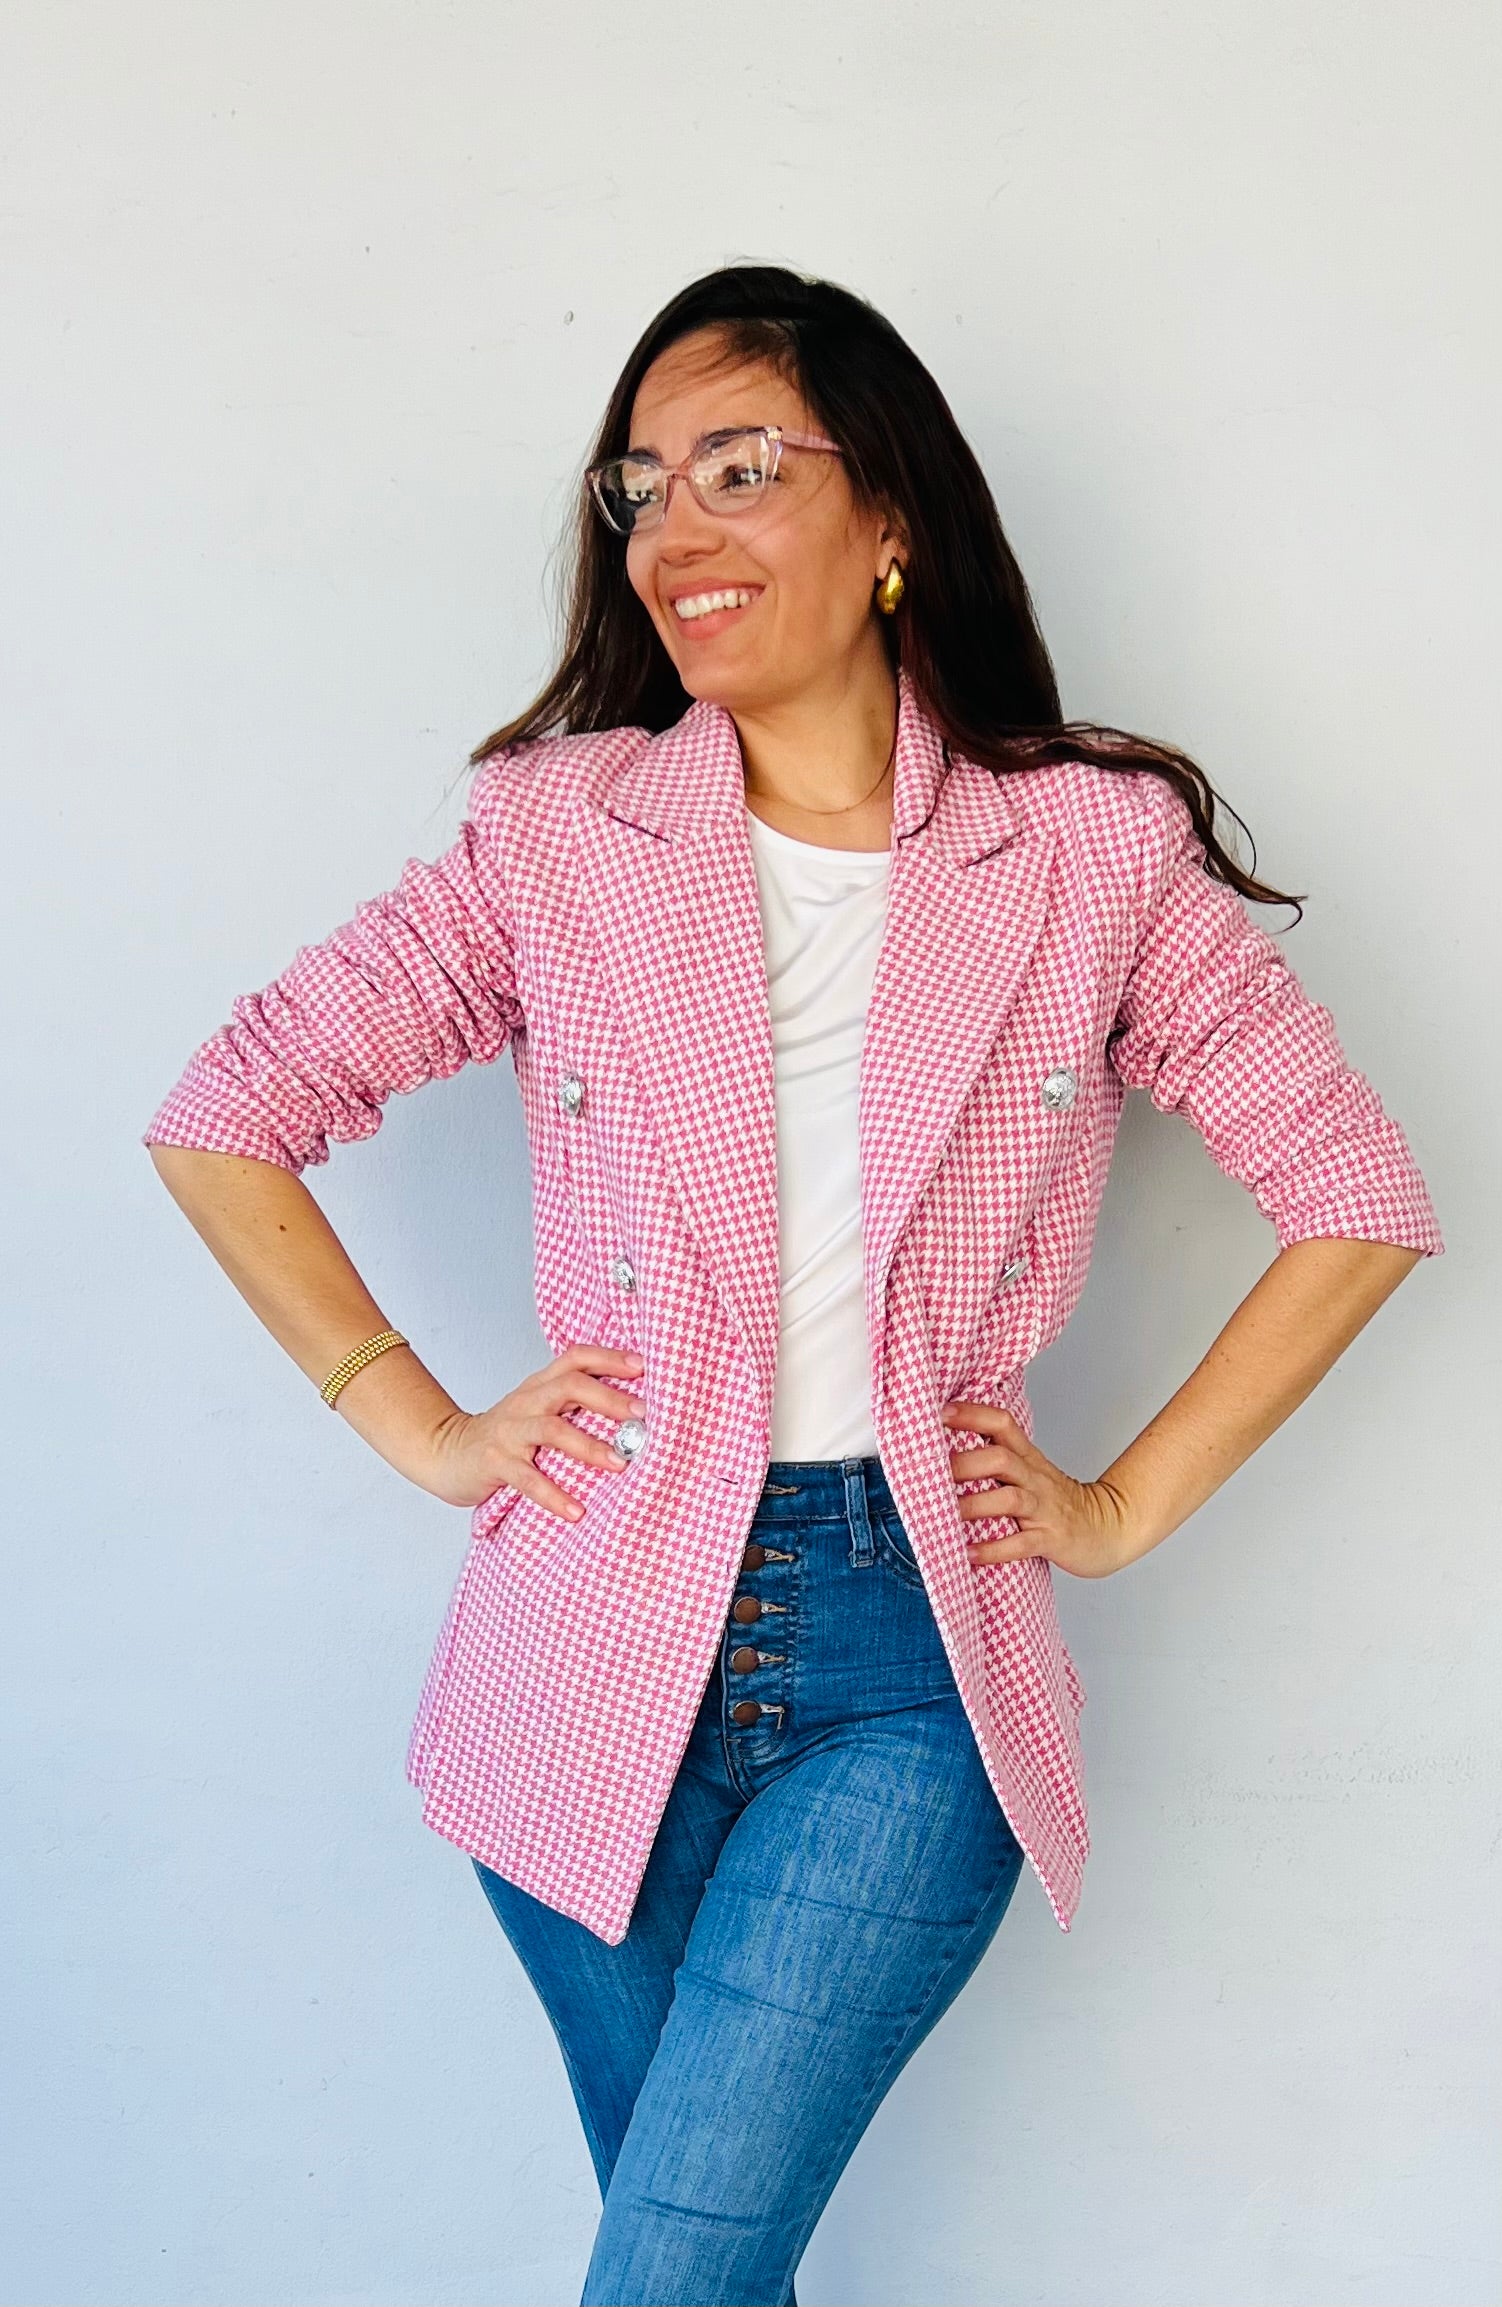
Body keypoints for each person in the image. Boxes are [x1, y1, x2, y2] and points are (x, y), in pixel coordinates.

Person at [142, 263, 1444, 2307]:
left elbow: (1356, 1186)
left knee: (668, 2275)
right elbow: (227, 1107)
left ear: (893, 515)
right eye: (639, 487)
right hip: (590, 1639)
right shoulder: (551, 835)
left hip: (902, 1655)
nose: (674, 529)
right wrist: (414, 1417)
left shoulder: (1086, 855)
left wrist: (1116, 1505)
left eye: (741, 465)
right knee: (703, 2274)